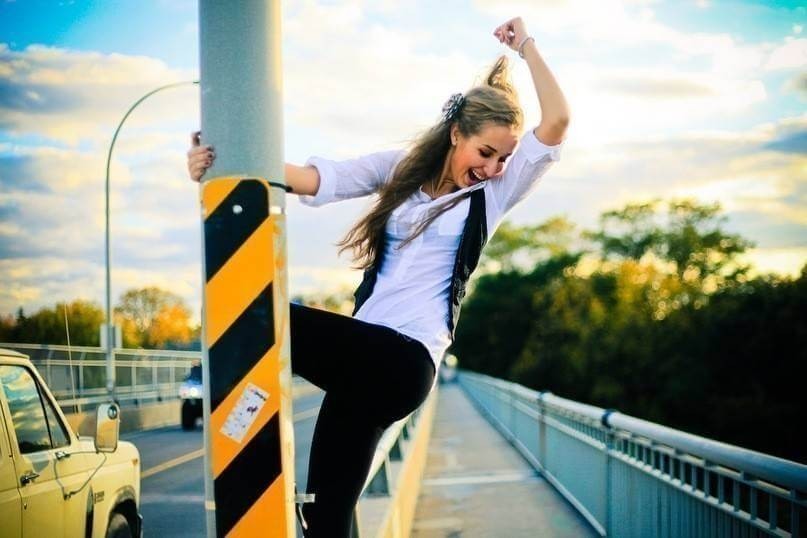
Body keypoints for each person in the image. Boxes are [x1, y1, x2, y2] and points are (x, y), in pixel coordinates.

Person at [187, 16, 569, 538]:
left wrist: (525, 45)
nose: (494, 167)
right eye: (486, 153)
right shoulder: (401, 169)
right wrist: (224, 161)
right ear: (456, 134)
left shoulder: (492, 196)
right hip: (362, 363)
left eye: (504, 158)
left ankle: (244, 444)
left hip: (403, 362)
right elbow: (314, 179)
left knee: (262, 318)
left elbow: (558, 121)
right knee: (326, 518)